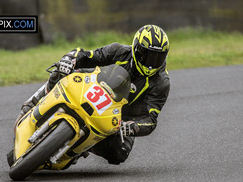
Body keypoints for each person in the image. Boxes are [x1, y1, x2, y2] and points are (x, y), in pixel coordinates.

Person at [15, 24, 170, 165]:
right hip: (93, 89)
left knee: (120, 153)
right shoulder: (119, 51)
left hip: (121, 118)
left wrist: (133, 127)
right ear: (136, 48)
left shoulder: (161, 82)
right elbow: (89, 56)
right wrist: (70, 59)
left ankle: (82, 148)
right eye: (147, 55)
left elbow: (151, 120)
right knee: (61, 71)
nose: (151, 63)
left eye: (158, 57)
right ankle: (35, 101)